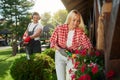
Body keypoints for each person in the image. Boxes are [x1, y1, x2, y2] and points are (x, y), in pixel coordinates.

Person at [50, 9, 92, 80]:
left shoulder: (80, 32)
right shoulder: (60, 28)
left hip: (72, 56)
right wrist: (60, 49)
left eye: (78, 21)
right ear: (69, 19)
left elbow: (88, 45)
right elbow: (52, 41)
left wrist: (85, 56)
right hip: (59, 55)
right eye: (74, 20)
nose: (76, 23)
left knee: (73, 77)